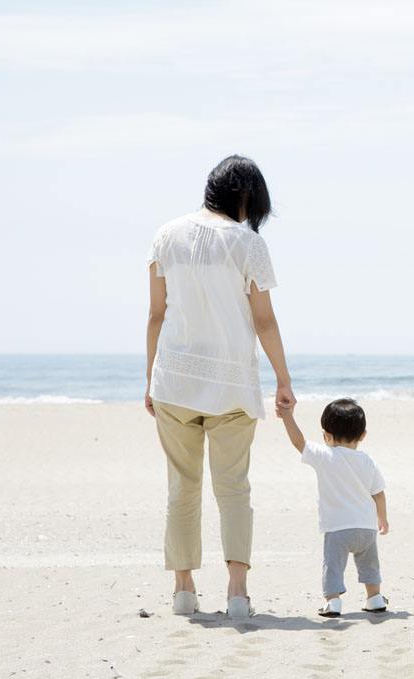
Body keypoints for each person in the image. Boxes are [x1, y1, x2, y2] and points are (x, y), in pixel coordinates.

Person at [145, 155, 295, 619]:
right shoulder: (248, 245)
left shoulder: (166, 234)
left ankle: (184, 591)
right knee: (233, 489)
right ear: (247, 196)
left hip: (174, 380)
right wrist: (283, 380)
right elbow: (264, 320)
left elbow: (156, 314)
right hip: (231, 384)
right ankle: (236, 592)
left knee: (181, 487)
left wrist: (150, 378)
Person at [276, 398, 389, 617]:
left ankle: (333, 601)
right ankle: (374, 597)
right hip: (366, 528)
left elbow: (299, 442)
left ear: (326, 435)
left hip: (337, 528)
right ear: (363, 435)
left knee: (333, 566)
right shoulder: (367, 461)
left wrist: (287, 417)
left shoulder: (325, 456)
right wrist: (382, 518)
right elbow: (378, 492)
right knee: (369, 565)